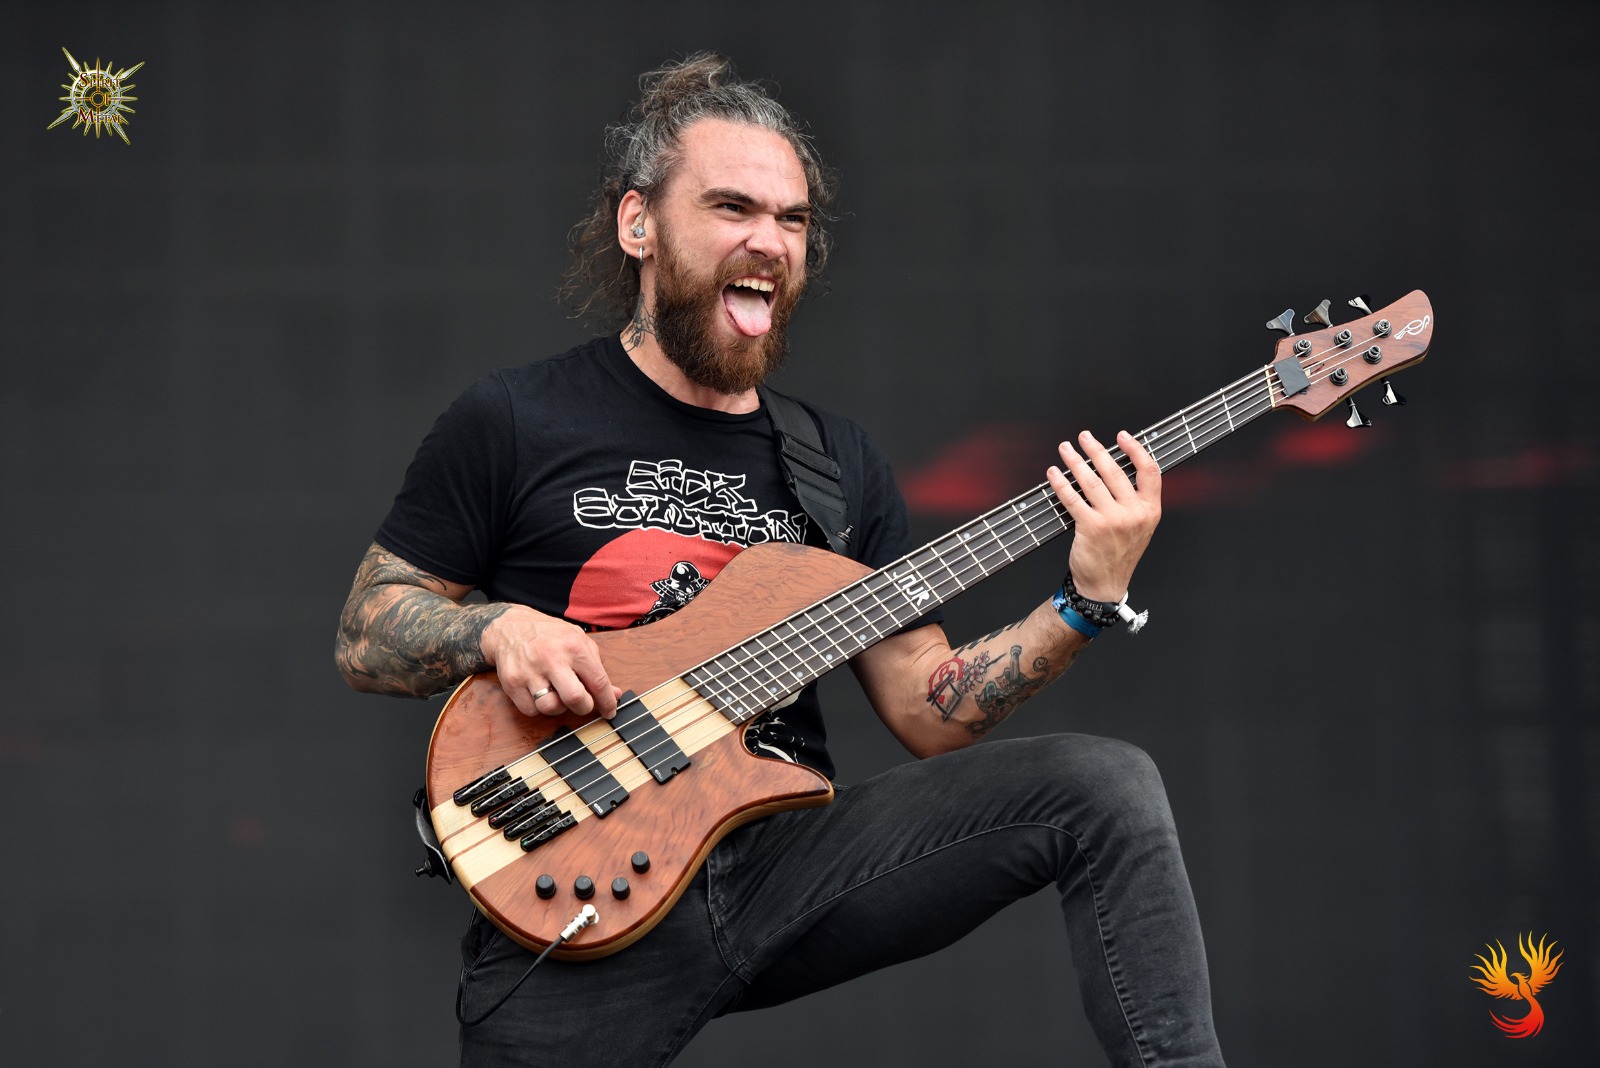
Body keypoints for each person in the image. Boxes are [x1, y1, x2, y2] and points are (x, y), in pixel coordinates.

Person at [336, 52, 1224, 1068]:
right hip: (575, 868)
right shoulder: (513, 418)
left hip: (783, 864)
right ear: (639, 225)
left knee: (1104, 787)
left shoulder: (835, 466)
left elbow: (930, 708)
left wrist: (1084, 597)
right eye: (731, 207)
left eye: (792, 219)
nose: (769, 240)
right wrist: (498, 629)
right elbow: (367, 629)